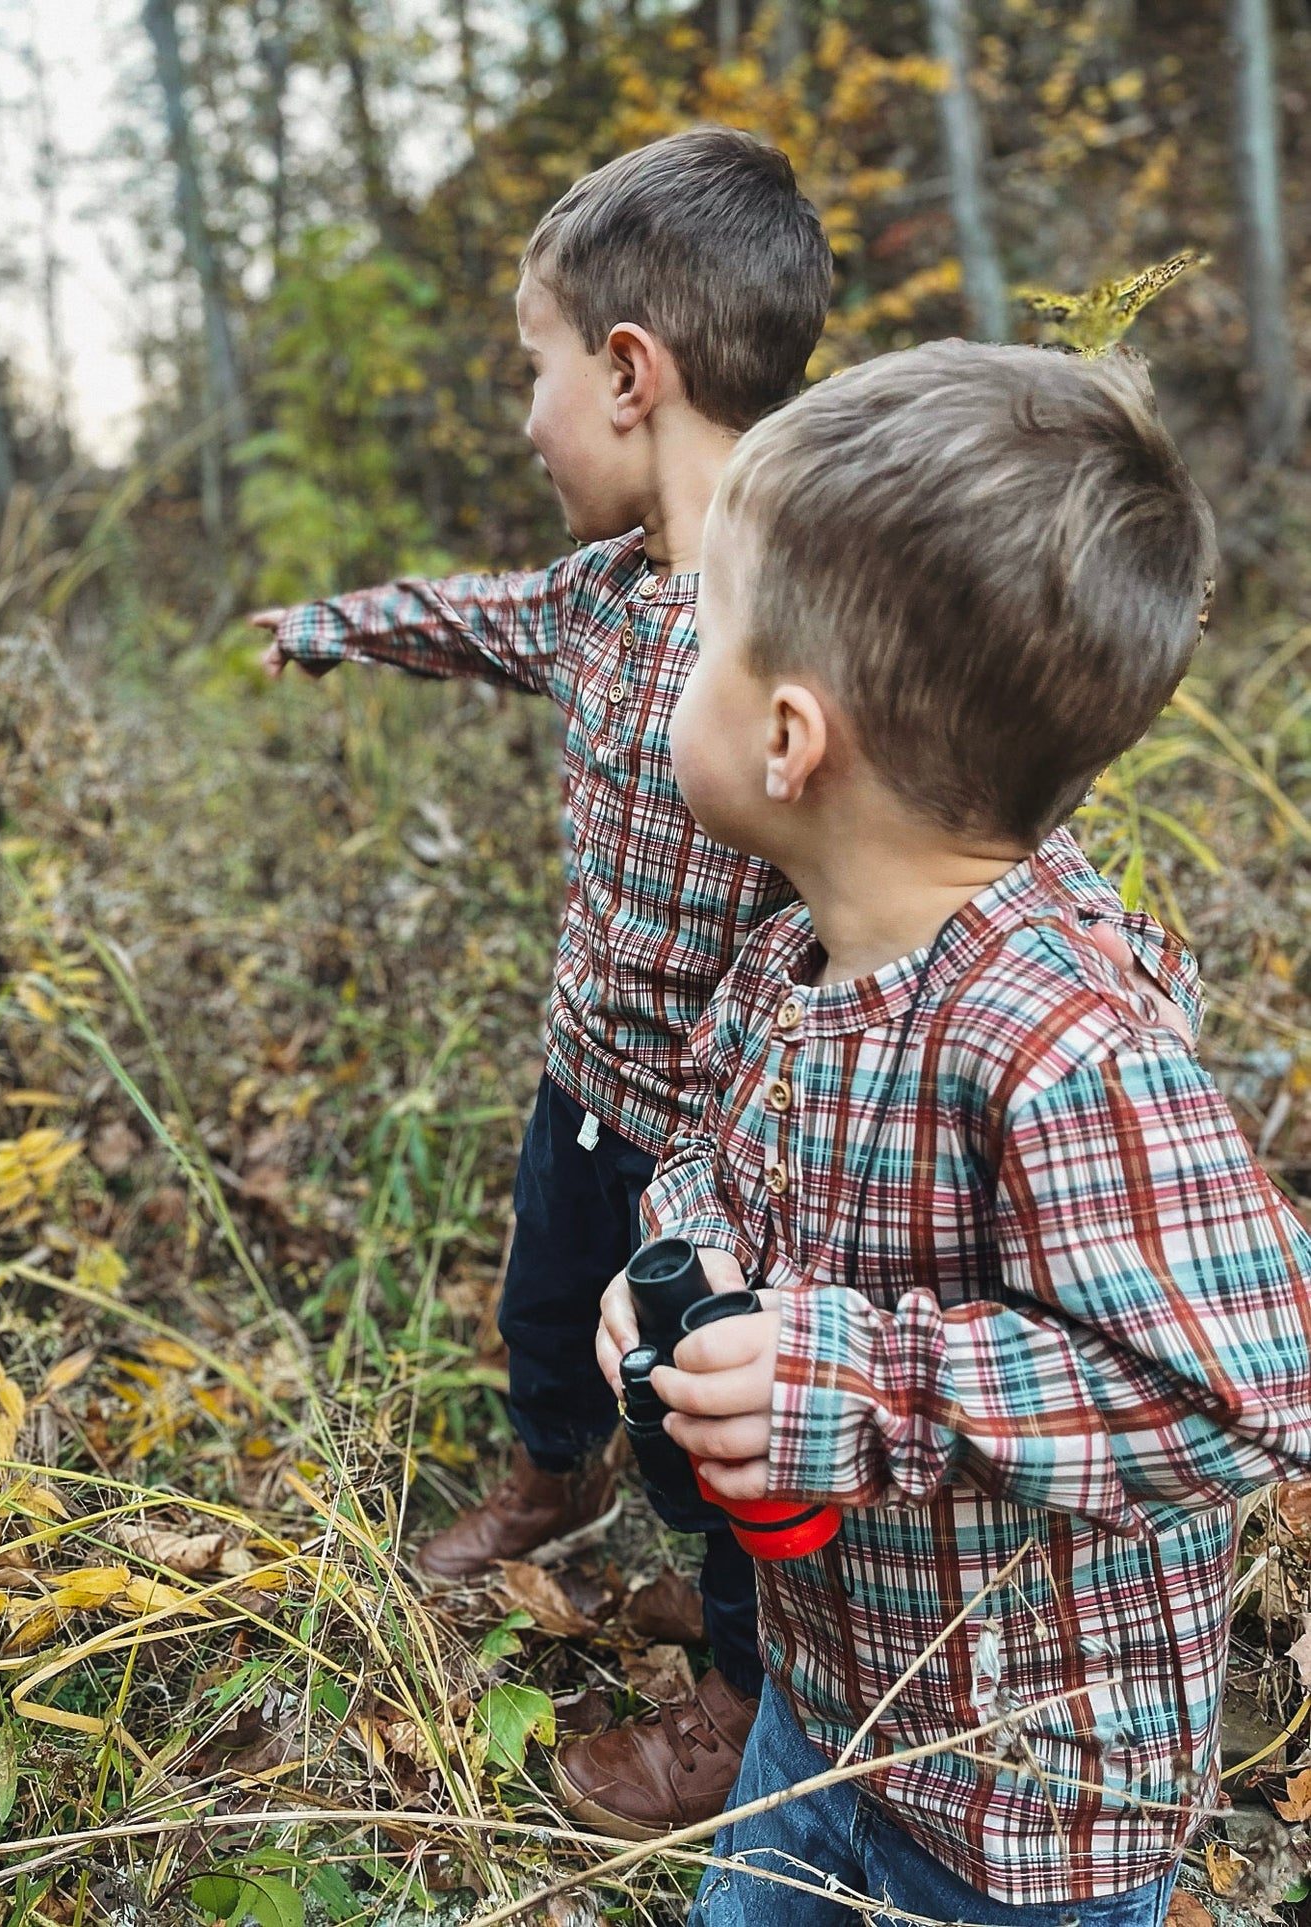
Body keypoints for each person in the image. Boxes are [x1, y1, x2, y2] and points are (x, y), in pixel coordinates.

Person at [253, 131, 1193, 1837]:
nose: (523, 419)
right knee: (560, 1315)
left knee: (731, 1425)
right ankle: (555, 1478)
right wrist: (337, 623)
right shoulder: (602, 599)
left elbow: (958, 854)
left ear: (625, 373)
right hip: (596, 1092)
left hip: (766, 1151)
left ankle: (745, 1677)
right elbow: (473, 620)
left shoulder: (821, 637)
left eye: (530, 372)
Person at [595, 339, 1311, 1919]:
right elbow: (716, 1143)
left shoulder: (1055, 1043)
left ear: (789, 738)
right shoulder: (797, 953)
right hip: (828, 1715)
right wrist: (681, 1263)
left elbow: (1253, 1389)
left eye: (701, 626)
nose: (671, 652)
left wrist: (856, 1381)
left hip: (1023, 1807)